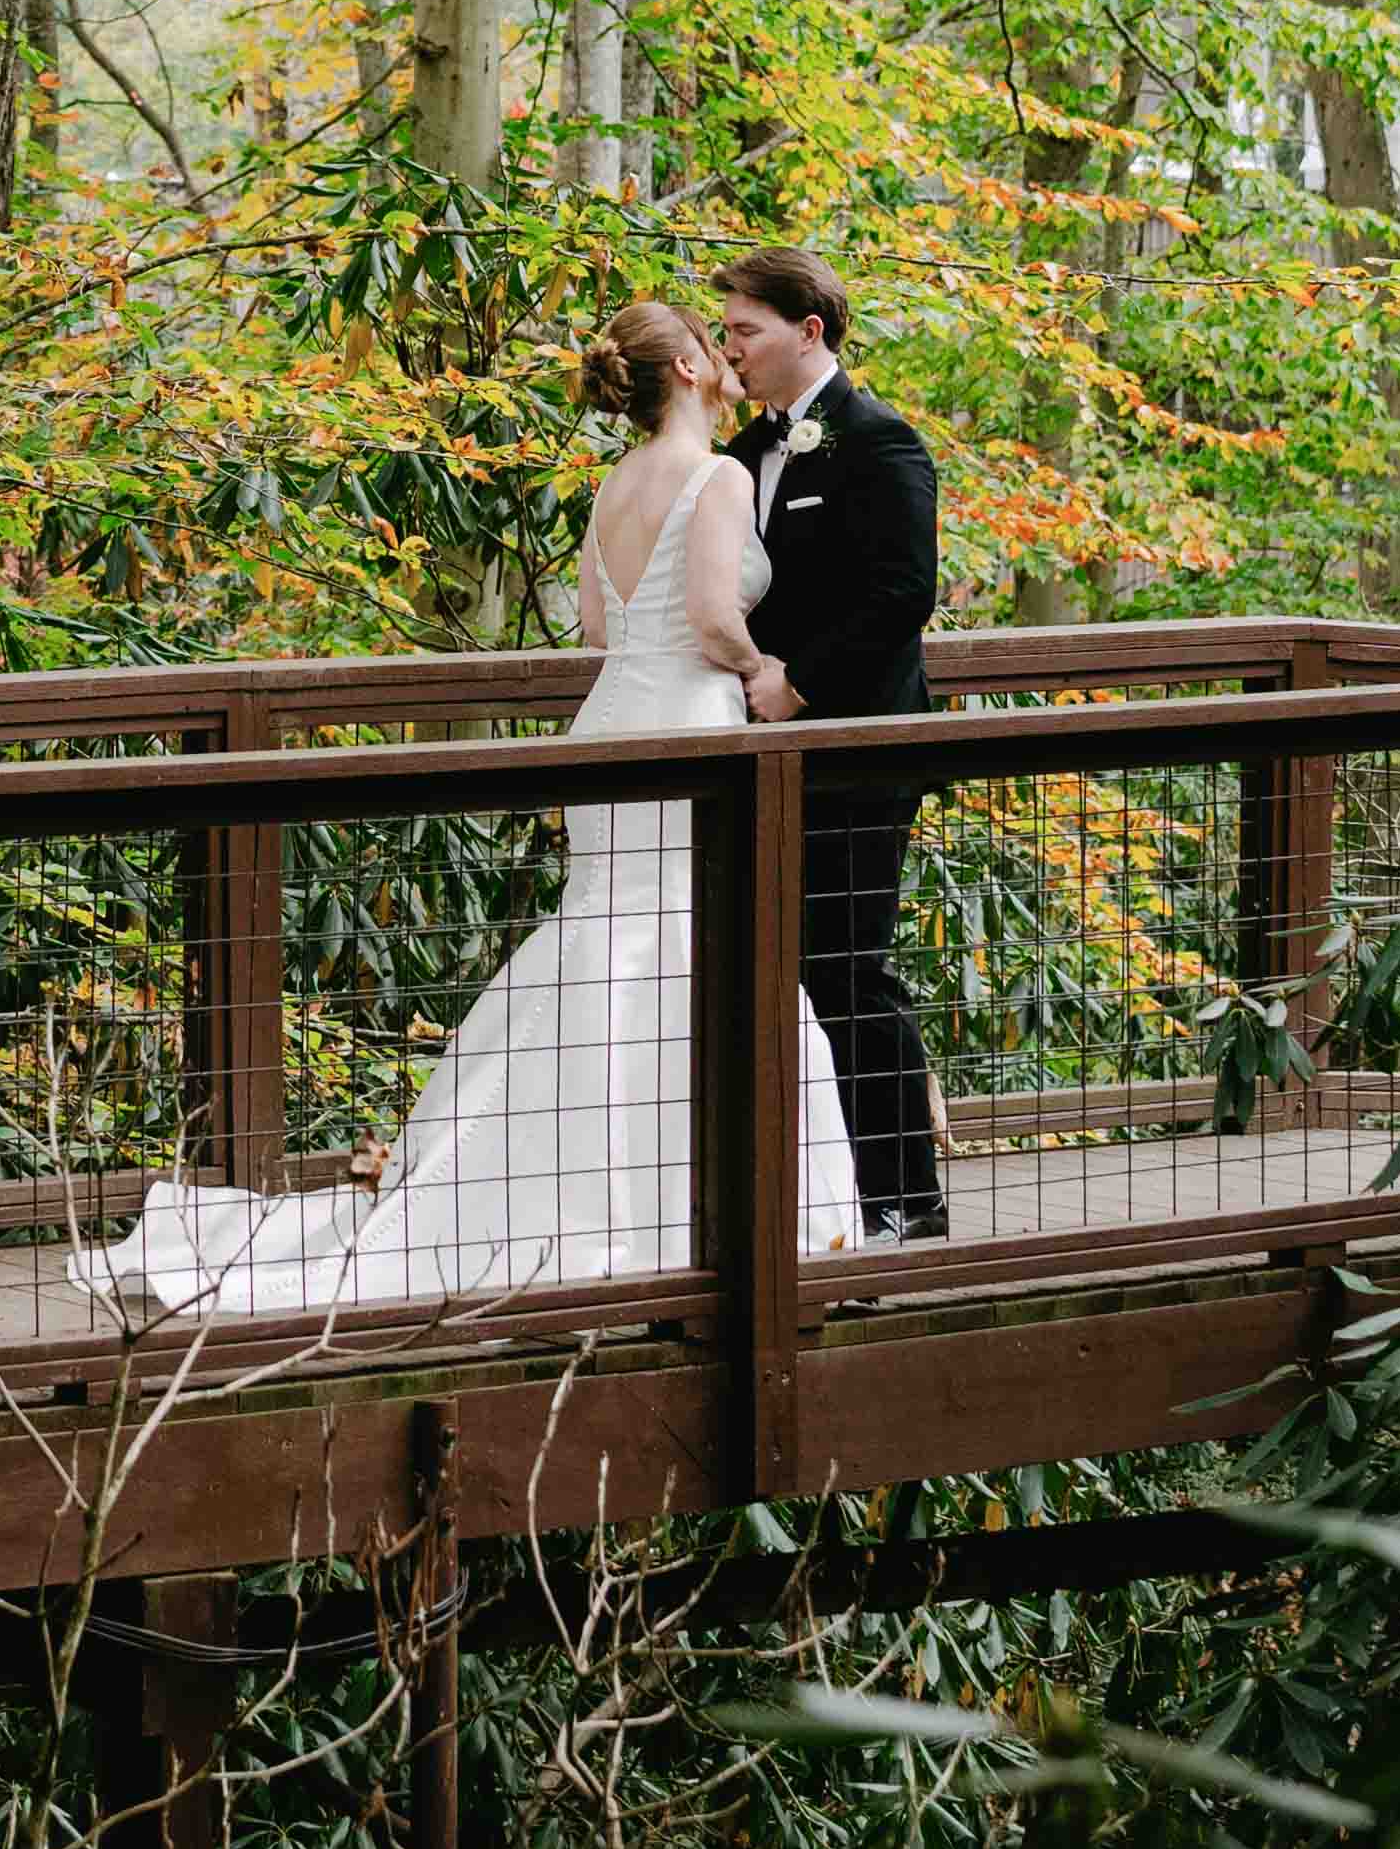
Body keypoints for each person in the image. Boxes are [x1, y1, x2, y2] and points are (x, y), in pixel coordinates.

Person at [92, 296, 866, 1321]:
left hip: (608, 722)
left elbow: (598, 624)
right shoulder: (717, 475)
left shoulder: (613, 485)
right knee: (691, 939)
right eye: (710, 342)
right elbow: (714, 615)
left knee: (611, 933)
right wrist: (765, 669)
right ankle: (681, 1210)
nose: (726, 355)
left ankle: (558, 1192)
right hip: (691, 718)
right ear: (684, 366)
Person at [714, 245, 953, 1237]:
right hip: (756, 757)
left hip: (856, 757)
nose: (730, 348)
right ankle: (806, 1199)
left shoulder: (879, 441)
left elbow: (901, 593)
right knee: (764, 970)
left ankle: (907, 1204)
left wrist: (796, 684)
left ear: (807, 331)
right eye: (723, 331)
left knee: (847, 971)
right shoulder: (736, 456)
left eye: (743, 330)